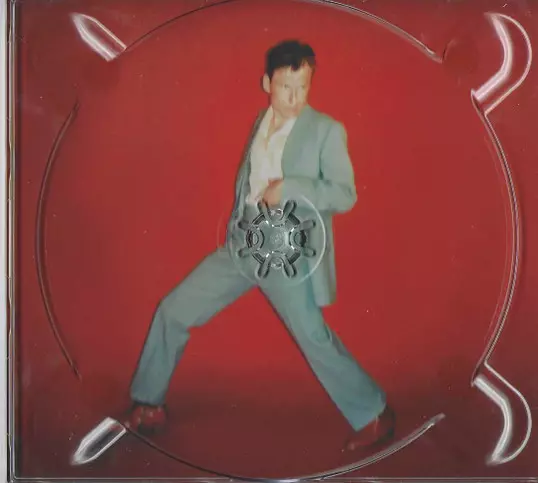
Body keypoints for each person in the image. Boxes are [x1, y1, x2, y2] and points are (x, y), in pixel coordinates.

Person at [125, 40, 394, 452]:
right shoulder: (260, 119)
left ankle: (375, 414)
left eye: (303, 87)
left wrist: (291, 188)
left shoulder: (326, 130)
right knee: (174, 309)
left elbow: (345, 195)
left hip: (286, 252)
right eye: (286, 87)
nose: (295, 98)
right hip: (243, 244)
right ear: (267, 83)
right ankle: (148, 404)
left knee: (313, 337)